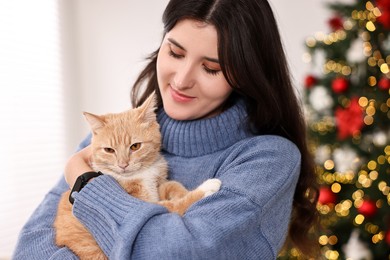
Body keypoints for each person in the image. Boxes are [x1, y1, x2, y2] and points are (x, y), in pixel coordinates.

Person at [13, 0, 319, 259]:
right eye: (175, 52)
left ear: (245, 74)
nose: (182, 79)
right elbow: (30, 247)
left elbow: (176, 251)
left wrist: (87, 184)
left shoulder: (268, 160)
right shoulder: (107, 142)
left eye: (210, 68)